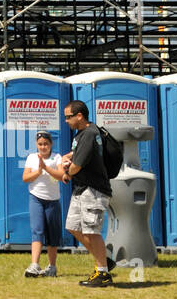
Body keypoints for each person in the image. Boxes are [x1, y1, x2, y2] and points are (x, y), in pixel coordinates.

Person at [60, 100, 114, 287]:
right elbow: (78, 154)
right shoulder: (82, 134)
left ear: (79, 116)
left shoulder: (89, 134)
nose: (66, 120)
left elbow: (78, 165)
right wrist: (68, 156)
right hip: (81, 189)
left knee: (91, 231)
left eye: (68, 117)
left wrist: (67, 172)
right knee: (73, 226)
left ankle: (103, 273)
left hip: (94, 190)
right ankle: (104, 259)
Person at [22, 131, 66, 277]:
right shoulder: (31, 157)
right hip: (36, 198)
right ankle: (34, 265)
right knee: (37, 230)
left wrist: (46, 168)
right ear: (36, 144)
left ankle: (52, 267)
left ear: (51, 144)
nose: (43, 147)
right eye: (40, 144)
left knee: (52, 235)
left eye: (46, 144)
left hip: (53, 200)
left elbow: (61, 176)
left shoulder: (57, 157)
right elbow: (26, 178)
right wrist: (39, 171)